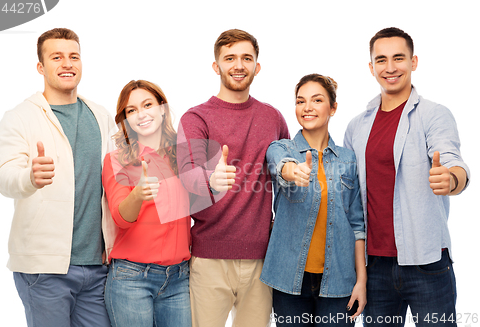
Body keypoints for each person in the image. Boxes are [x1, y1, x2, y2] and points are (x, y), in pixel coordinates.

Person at [343, 27, 470, 326]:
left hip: (427, 262)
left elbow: (453, 162)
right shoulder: (356, 126)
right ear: (371, 66)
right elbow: (348, 197)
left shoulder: (434, 115)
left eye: (398, 58)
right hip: (374, 267)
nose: (390, 68)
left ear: (413, 62)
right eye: (381, 59)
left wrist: (451, 180)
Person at [0, 28, 115, 327]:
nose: (67, 63)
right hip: (44, 269)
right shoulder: (19, 116)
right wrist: (29, 177)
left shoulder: (99, 115)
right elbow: (4, 176)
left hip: (97, 266)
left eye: (74, 56)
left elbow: (120, 174)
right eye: (56, 57)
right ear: (41, 67)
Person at [177, 29, 289, 327]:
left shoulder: (273, 117)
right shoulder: (195, 117)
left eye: (246, 58)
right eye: (230, 58)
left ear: (257, 66)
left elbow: (285, 177)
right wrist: (211, 179)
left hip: (262, 259)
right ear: (216, 66)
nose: (238, 65)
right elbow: (187, 174)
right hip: (209, 258)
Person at [261, 74, 366, 326]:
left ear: (333, 108)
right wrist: (291, 171)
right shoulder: (282, 148)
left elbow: (357, 225)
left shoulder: (348, 159)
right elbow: (279, 165)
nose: (306, 107)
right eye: (300, 101)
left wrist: (361, 280)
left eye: (316, 100)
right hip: (289, 282)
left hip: (339, 282)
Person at [102, 80, 191, 327]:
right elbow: (120, 217)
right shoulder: (117, 160)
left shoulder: (182, 155)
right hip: (132, 279)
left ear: (162, 108)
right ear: (125, 120)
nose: (141, 114)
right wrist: (137, 195)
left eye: (147, 104)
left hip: (179, 278)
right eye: (131, 110)